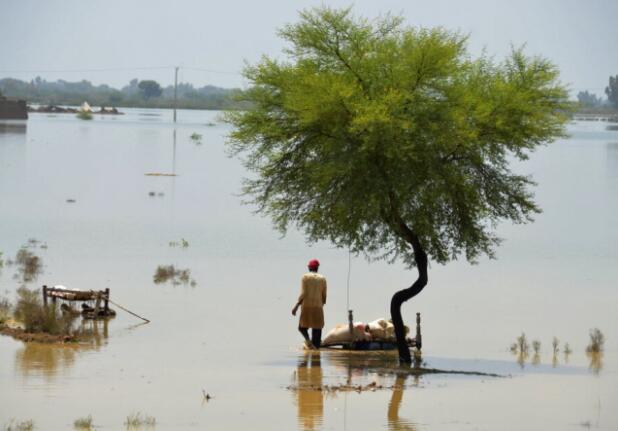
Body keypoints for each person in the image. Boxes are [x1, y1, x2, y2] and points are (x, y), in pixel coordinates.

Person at [292, 259, 327, 349]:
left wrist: (296, 306)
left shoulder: (305, 277)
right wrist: (321, 304)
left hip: (307, 307)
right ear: (317, 268)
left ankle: (308, 341)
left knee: (302, 327)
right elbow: (324, 295)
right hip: (318, 307)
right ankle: (315, 353)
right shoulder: (322, 278)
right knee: (317, 330)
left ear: (309, 268)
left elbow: (303, 293)